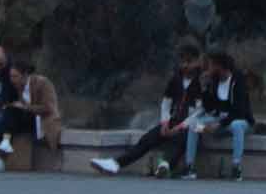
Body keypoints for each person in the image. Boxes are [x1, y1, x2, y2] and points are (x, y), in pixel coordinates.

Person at [91, 40, 205, 177]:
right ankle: (115, 164)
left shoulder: (202, 81)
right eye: (182, 62)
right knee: (148, 138)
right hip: (175, 121)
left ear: (198, 61)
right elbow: (166, 102)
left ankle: (166, 165)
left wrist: (180, 127)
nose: (185, 66)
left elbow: (200, 111)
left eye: (189, 61)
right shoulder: (176, 79)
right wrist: (165, 122)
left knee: (183, 137)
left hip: (194, 126)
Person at [184, 51, 255, 181]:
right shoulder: (214, 81)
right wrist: (204, 88)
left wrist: (219, 124)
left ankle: (236, 167)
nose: (208, 69)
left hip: (240, 122)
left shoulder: (238, 80)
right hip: (219, 123)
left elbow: (239, 111)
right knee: (194, 125)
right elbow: (210, 108)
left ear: (220, 67)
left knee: (236, 125)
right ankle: (190, 167)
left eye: (211, 65)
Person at [0, 58, 60, 172]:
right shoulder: (20, 86)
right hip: (30, 119)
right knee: (7, 112)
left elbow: (49, 108)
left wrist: (25, 107)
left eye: (15, 76)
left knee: (9, 113)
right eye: (11, 76)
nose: (12, 80)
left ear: (25, 75)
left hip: (43, 120)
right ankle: (3, 146)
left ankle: (4, 145)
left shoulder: (43, 83)